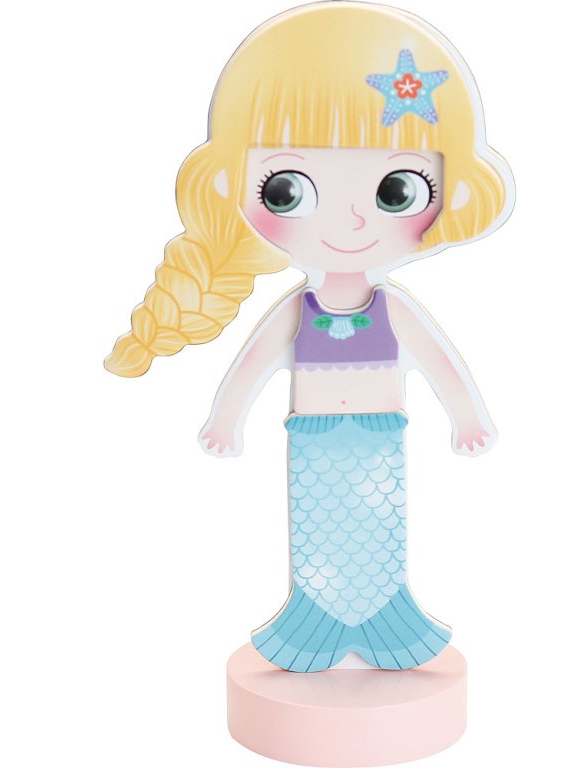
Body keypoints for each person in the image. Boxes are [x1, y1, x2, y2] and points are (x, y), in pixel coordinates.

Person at [104, 1, 514, 672]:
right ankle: (312, 626)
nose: (350, 222)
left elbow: (440, 364)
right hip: (313, 439)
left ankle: (388, 624)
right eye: (288, 190)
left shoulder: (392, 309)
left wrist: (467, 418)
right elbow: (253, 364)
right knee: (320, 538)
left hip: (381, 435)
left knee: (378, 534)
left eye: (395, 190)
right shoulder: (300, 311)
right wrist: (226, 420)